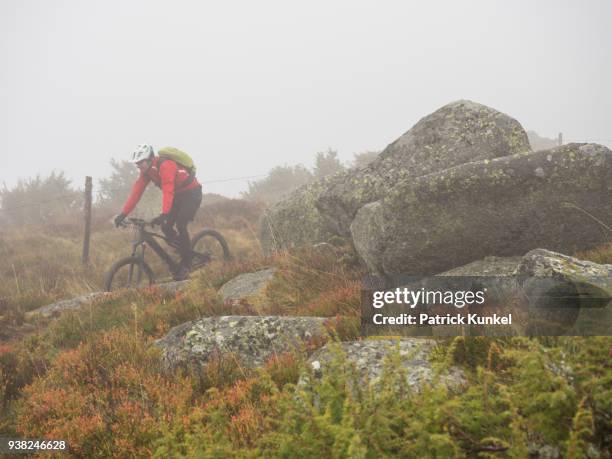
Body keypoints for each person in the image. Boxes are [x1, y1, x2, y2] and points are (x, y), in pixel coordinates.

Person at [114, 144, 202, 280]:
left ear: (149, 159)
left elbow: (168, 189)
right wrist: (123, 214)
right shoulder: (147, 172)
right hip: (177, 196)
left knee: (180, 224)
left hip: (191, 193)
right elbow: (136, 193)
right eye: (137, 164)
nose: (139, 166)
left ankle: (186, 262)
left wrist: (165, 213)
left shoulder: (166, 165)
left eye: (141, 163)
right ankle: (184, 249)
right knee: (165, 227)